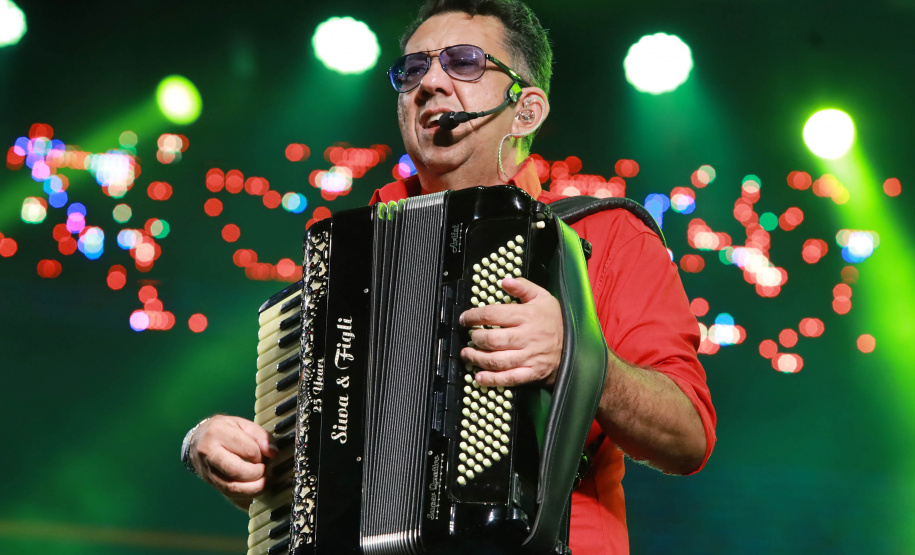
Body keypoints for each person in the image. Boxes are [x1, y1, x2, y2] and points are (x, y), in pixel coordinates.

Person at [181, 1, 716, 553]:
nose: (430, 83)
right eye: (412, 70)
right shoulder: (355, 252)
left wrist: (572, 355)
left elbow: (689, 436)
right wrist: (218, 446)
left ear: (526, 110)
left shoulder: (606, 236)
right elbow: (325, 461)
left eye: (463, 63)